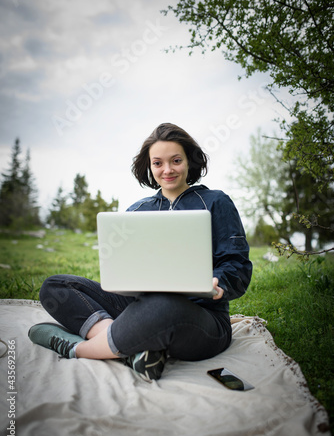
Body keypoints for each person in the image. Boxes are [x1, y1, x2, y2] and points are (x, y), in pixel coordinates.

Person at [28, 123, 252, 381]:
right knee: (55, 286)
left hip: (203, 320)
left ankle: (79, 349)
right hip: (138, 306)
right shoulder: (137, 210)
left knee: (162, 305)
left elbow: (238, 266)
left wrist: (219, 282)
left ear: (189, 161)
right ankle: (132, 347)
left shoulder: (216, 201)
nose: (167, 170)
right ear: (149, 166)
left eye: (176, 160)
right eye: (158, 163)